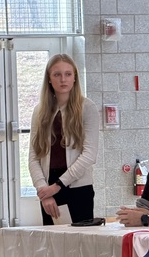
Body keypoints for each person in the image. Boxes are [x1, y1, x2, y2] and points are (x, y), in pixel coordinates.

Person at [28, 53, 99, 225]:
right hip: (49, 189)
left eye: (68, 74)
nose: (63, 79)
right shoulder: (39, 111)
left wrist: (58, 186)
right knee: (53, 240)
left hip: (78, 187)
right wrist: (44, 191)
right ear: (49, 79)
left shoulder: (87, 108)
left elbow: (89, 155)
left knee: (80, 240)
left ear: (74, 77)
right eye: (57, 74)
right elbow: (33, 157)